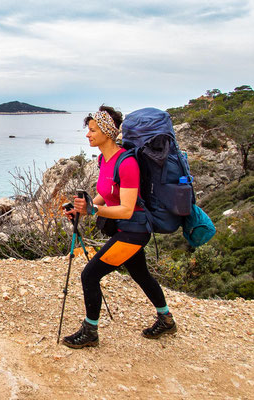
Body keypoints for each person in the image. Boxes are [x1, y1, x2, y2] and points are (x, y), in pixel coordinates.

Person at [62, 105, 177, 349]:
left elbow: (126, 208)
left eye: (92, 130)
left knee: (89, 275)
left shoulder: (127, 164)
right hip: (124, 230)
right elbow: (105, 194)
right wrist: (83, 207)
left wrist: (93, 210)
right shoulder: (104, 159)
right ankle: (166, 319)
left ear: (106, 131)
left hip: (134, 232)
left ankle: (90, 331)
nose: (88, 134)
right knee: (140, 274)